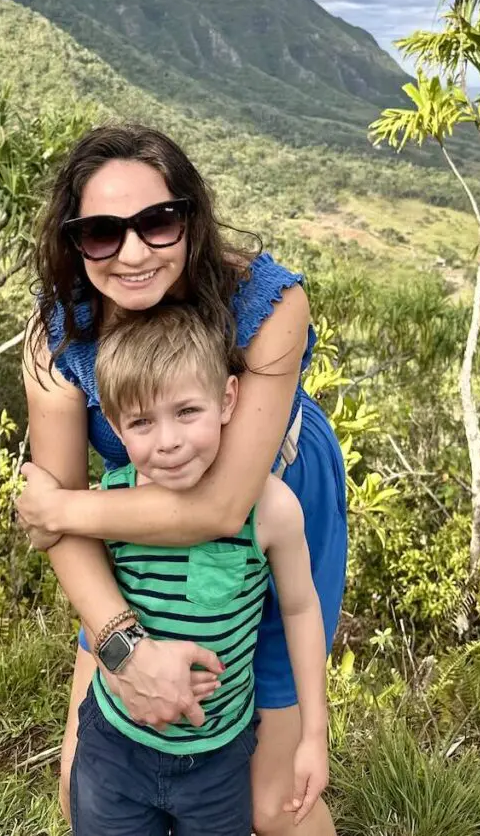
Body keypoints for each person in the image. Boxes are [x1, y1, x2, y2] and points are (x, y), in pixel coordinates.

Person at [18, 124, 348, 835]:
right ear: (75, 242)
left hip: (274, 494)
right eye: (102, 233)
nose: (133, 252)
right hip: (137, 509)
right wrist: (122, 647)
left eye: (158, 222)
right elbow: (64, 526)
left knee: (272, 805)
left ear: (191, 218)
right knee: (82, 783)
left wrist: (60, 509)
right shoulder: (61, 337)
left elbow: (224, 506)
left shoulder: (267, 304)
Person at [68, 304, 328, 835]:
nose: (168, 441)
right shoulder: (106, 507)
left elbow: (302, 609)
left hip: (218, 758)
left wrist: (314, 734)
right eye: (142, 421)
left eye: (187, 411)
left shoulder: (269, 508)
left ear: (228, 399)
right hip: (116, 747)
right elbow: (84, 589)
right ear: (116, 426)